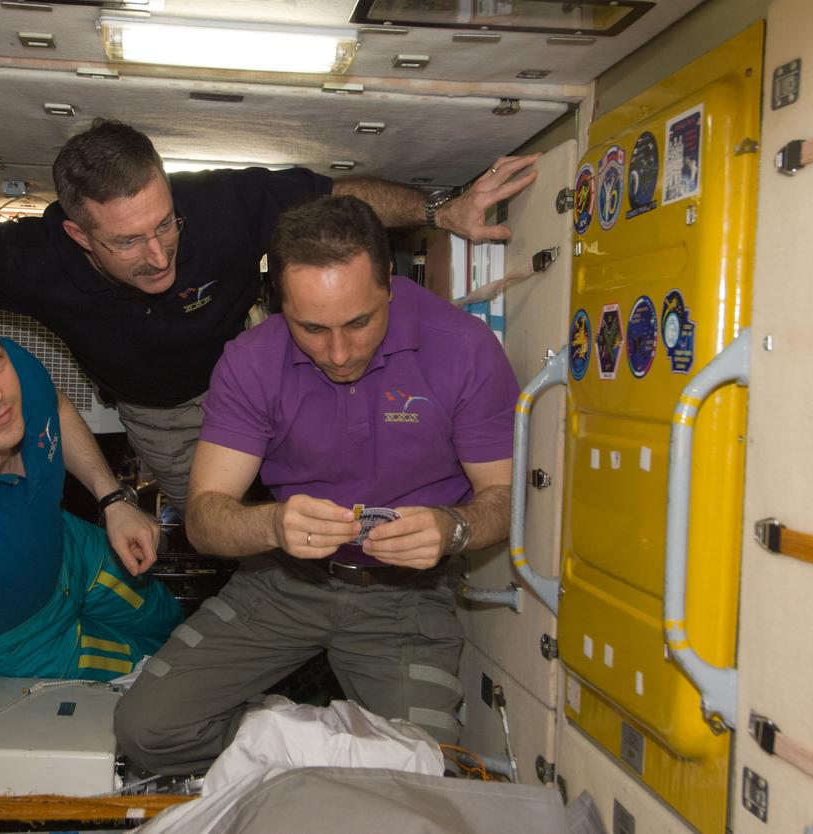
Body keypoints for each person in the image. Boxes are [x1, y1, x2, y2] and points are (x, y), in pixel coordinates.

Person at [0, 119, 538, 513]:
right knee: (216, 513)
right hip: (160, 410)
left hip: (253, 362)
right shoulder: (30, 259)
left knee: (321, 476)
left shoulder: (220, 206)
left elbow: (340, 200)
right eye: (127, 242)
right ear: (79, 235)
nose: (158, 255)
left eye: (164, 224)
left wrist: (441, 211)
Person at [113, 195, 519, 774]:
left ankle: (329, 755)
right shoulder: (251, 361)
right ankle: (309, 744)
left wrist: (453, 528)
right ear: (280, 303)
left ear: (390, 286)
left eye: (359, 322)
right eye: (311, 328)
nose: (338, 353)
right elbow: (205, 517)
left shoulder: (465, 349)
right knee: (145, 732)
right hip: (281, 584)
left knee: (425, 774)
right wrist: (272, 524)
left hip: (405, 601)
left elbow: (503, 502)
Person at [0, 303, 182, 833]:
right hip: (25, 637)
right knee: (154, 677)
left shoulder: (7, 368)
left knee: (172, 622)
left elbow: (55, 405)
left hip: (72, 548)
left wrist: (112, 500)